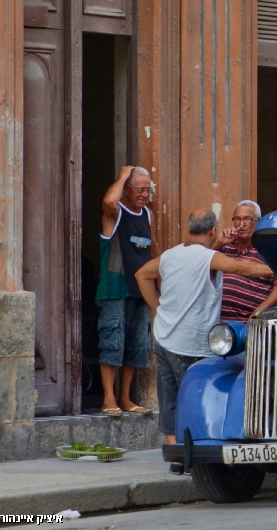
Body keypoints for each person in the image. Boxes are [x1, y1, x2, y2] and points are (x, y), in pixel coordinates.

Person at [135, 208, 273, 472]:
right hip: (190, 344)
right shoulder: (209, 258)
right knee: (197, 398)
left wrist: (158, 309)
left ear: (190, 228)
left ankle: (177, 457)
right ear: (212, 231)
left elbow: (142, 274)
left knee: (170, 399)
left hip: (163, 338)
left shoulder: (171, 255)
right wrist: (276, 268)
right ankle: (194, 455)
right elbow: (242, 267)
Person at [96, 165, 156, 416]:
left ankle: (125, 398)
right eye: (140, 189)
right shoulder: (115, 212)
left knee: (136, 345)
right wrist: (121, 176)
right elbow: (109, 199)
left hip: (141, 292)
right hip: (115, 289)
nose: (145, 195)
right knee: (112, 343)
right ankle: (108, 398)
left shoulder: (148, 215)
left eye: (148, 190)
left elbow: (154, 253)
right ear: (127, 190)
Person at [214, 200, 277, 321]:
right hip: (218, 327)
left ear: (258, 221)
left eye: (247, 219)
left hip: (247, 326)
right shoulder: (225, 246)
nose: (241, 224)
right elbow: (202, 264)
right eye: (237, 219)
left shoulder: (267, 250)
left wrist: (258, 312)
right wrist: (219, 243)